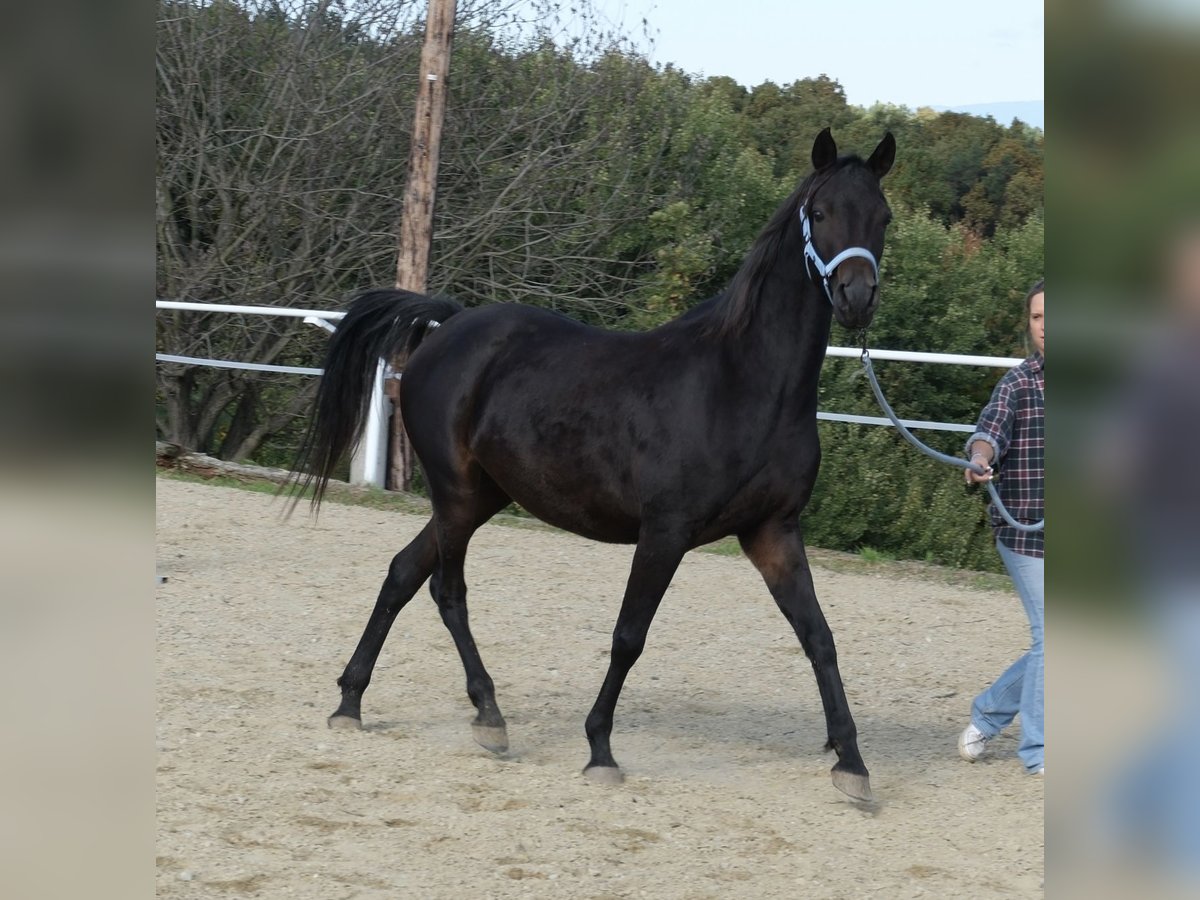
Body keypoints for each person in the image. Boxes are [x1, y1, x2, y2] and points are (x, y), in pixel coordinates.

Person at [957, 279, 1045, 776]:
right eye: (1037, 317)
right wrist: (979, 459)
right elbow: (987, 432)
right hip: (1024, 533)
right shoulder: (1018, 383)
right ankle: (1040, 753)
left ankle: (986, 716)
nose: (1047, 326)